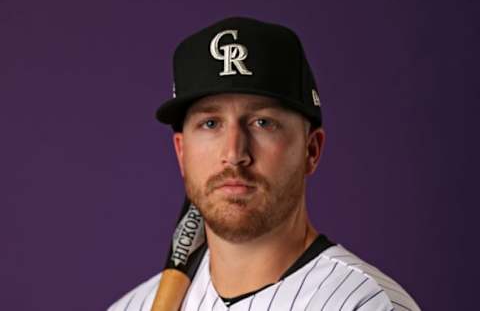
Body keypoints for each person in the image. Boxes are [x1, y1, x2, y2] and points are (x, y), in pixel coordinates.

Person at [108, 17, 421, 311]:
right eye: (211, 124)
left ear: (312, 150)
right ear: (181, 152)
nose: (234, 153)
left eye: (262, 122)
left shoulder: (365, 304)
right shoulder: (132, 307)